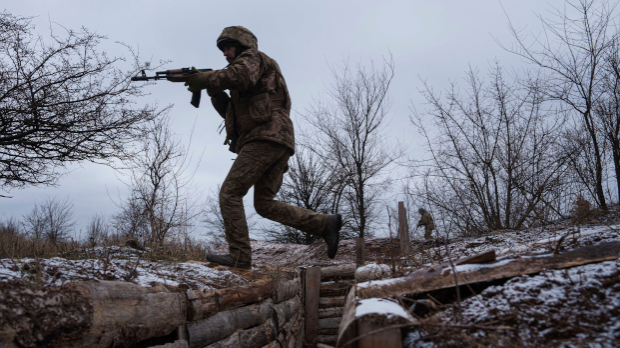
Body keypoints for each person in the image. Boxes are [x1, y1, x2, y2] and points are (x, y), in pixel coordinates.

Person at [184, 26, 342, 269]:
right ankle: (323, 224)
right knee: (265, 203)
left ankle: (239, 257)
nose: (225, 53)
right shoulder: (245, 72)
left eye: (229, 46)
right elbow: (231, 114)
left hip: (266, 137)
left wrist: (206, 78)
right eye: (223, 49)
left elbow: (240, 75)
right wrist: (214, 91)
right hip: (276, 140)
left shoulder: (253, 59)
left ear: (242, 45)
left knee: (230, 192)